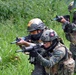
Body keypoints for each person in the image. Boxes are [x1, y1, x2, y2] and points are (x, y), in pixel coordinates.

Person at [55, 1, 76, 72]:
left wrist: (65, 22)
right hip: (74, 43)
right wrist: (65, 18)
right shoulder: (73, 16)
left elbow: (74, 27)